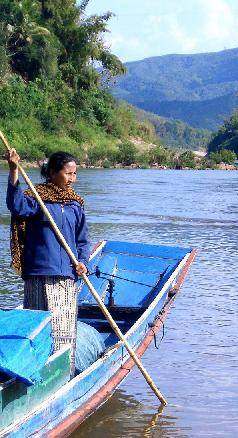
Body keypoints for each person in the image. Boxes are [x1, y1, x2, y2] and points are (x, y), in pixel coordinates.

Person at [6, 149, 90, 377]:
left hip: (65, 276)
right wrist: (14, 170)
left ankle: (61, 376)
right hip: (37, 273)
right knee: (38, 328)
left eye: (75, 174)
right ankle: (34, 375)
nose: (72, 179)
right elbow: (16, 206)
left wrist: (83, 263)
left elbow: (82, 241)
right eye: (68, 173)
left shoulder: (75, 204)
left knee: (62, 331)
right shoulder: (36, 199)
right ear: (52, 173)